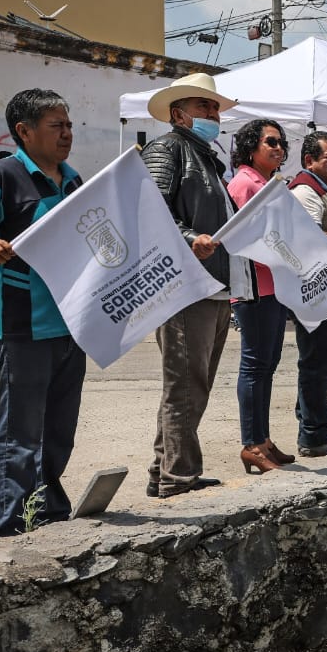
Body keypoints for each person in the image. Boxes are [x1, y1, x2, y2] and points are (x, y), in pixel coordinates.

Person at [0, 89, 86, 536]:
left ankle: (47, 508)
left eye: (68, 125)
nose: (66, 134)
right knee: (20, 433)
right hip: (23, 326)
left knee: (59, 430)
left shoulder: (74, 181)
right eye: (56, 126)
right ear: (24, 132)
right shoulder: (2, 176)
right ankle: (11, 522)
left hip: (72, 323)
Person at [142, 72, 239, 498]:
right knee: (185, 384)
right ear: (179, 115)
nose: (213, 114)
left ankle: (164, 470)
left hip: (212, 282)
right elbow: (148, 209)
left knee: (192, 382)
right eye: (205, 107)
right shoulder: (168, 149)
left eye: (215, 107)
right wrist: (187, 239)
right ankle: (178, 478)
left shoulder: (206, 157)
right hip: (184, 284)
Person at [225, 119, 296, 475]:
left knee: (267, 365)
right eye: (271, 141)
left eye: (282, 142)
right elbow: (244, 239)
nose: (279, 147)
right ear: (251, 145)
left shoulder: (269, 184)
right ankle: (251, 443)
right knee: (254, 366)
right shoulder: (244, 183)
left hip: (274, 286)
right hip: (253, 287)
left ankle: (263, 439)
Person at [288, 131, 327, 456]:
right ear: (309, 160)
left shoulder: (325, 191)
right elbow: (309, 236)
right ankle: (313, 434)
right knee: (316, 362)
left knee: (326, 360)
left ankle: (316, 423)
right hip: (316, 290)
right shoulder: (304, 190)